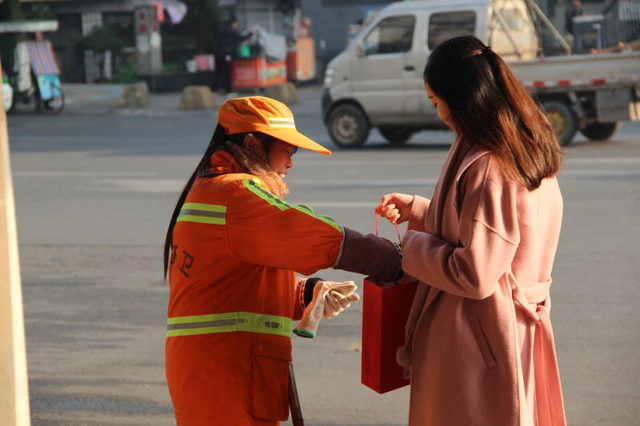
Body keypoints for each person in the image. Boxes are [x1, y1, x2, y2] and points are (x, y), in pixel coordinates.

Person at [164, 96, 402, 425]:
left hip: (213, 374)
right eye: (287, 150)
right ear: (251, 143)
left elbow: (232, 285)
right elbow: (304, 233)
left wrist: (305, 293)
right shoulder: (237, 194)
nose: (290, 163)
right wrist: (393, 258)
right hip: (226, 377)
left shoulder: (211, 191)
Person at [376, 36, 566, 425]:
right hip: (508, 329)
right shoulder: (520, 144)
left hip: (478, 340)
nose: (438, 113)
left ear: (461, 99)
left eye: (435, 101)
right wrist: (418, 211)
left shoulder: (488, 164)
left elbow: (475, 271)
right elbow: (486, 232)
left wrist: (410, 247)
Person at [214, 17, 254, 95]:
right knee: (227, 72)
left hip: (218, 54)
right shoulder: (230, 30)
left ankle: (214, 90)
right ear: (233, 23)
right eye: (236, 24)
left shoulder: (220, 29)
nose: (237, 26)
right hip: (227, 54)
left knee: (218, 72)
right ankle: (228, 91)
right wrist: (251, 33)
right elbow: (241, 37)